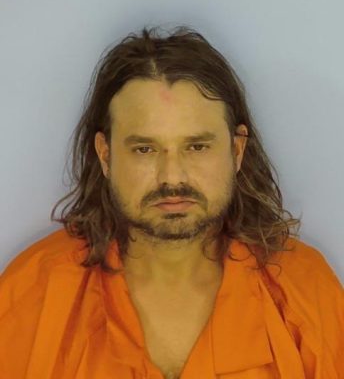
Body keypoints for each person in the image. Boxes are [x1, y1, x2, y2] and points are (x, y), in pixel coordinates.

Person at [0, 25, 343, 379]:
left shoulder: (304, 289)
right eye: (145, 149)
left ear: (236, 150)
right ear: (105, 155)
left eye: (197, 146)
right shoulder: (32, 293)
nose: (172, 176)